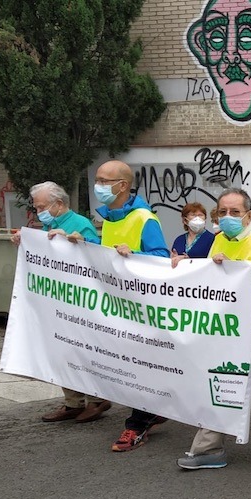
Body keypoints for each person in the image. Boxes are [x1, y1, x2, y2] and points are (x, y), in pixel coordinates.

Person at [174, 188, 251, 470]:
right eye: (222, 212)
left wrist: (240, 273)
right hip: (228, 328)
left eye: (234, 212)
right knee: (219, 382)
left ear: (249, 215)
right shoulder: (218, 240)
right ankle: (209, 448)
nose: (227, 217)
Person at [13, 181, 110, 424]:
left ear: (59, 204)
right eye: (36, 207)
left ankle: (97, 400)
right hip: (58, 300)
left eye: (42, 206)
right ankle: (73, 402)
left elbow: (97, 256)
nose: (38, 211)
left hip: (79, 301)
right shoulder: (47, 225)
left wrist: (72, 240)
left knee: (82, 350)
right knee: (61, 350)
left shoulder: (80, 224)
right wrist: (23, 241)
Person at [93, 160, 171, 452]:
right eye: (98, 180)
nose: (98, 186)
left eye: (103, 180)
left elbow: (161, 257)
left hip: (141, 310)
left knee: (137, 367)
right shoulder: (110, 218)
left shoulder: (143, 218)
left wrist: (134, 253)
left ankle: (135, 426)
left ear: (122, 185)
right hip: (118, 307)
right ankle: (153, 410)